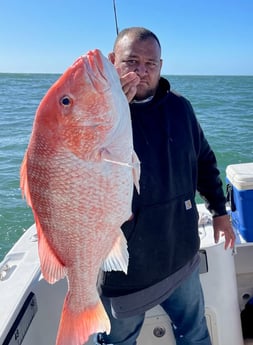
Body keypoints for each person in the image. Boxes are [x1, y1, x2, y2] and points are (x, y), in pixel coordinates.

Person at [96, 27, 236, 345]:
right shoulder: (95, 116)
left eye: (151, 63)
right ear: (111, 61)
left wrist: (220, 212)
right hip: (125, 272)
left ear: (161, 66)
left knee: (196, 333)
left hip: (181, 257)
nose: (142, 72)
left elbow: (204, 161)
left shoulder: (180, 108)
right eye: (132, 62)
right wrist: (109, 110)